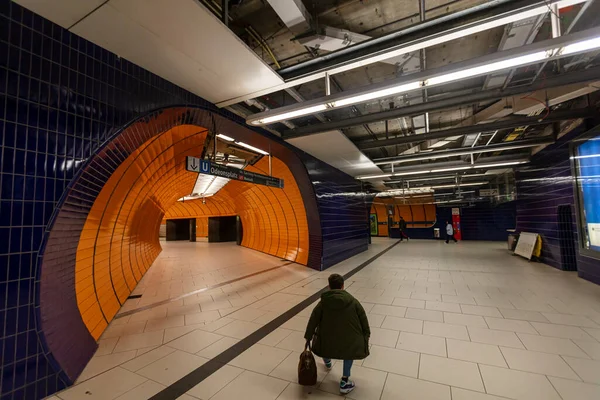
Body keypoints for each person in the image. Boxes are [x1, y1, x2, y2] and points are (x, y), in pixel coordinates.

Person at [304, 274, 370, 394]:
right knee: (349, 349)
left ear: (329, 286)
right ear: (343, 286)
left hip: (328, 340)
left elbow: (313, 319)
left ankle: (328, 361)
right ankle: (344, 381)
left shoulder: (323, 303)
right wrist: (366, 335)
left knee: (324, 343)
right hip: (348, 340)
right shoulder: (353, 302)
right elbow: (363, 319)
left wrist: (308, 337)